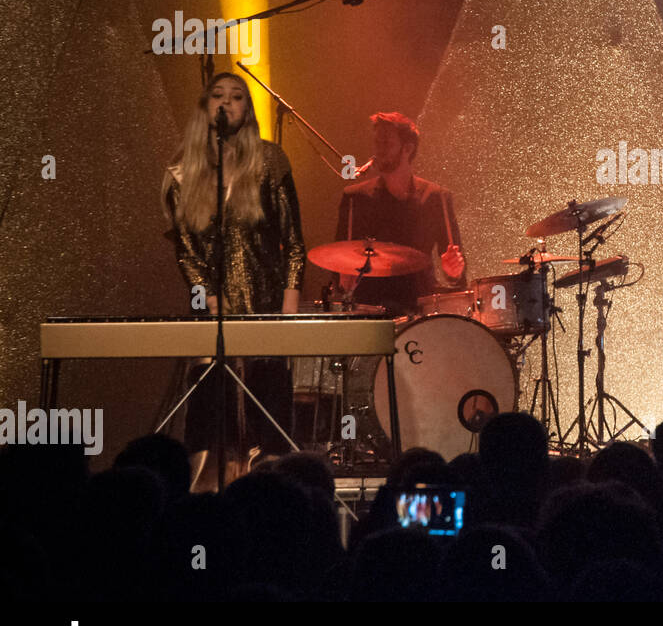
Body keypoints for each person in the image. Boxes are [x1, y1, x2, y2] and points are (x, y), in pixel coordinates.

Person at [162, 72, 305, 490]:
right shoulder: (181, 174)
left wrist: (288, 318)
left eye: (237, 96)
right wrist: (208, 299)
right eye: (218, 96)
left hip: (265, 314)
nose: (227, 103)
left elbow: (294, 245)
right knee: (211, 428)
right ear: (205, 107)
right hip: (210, 318)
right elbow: (186, 255)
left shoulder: (270, 161)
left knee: (268, 430)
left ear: (248, 108)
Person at [334, 112, 466, 315]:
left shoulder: (436, 197)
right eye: (376, 142)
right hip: (370, 308)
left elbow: (457, 273)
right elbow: (337, 266)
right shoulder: (355, 198)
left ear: (408, 149)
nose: (378, 150)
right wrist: (343, 282)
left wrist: (453, 272)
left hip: (420, 306)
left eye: (386, 143)